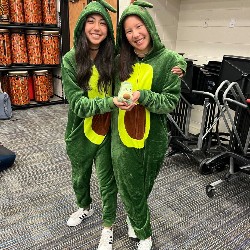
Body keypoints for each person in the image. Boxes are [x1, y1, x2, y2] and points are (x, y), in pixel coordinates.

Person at [111, 1, 187, 249]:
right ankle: (145, 232)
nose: (135, 35)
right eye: (128, 31)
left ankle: (135, 217)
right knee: (127, 181)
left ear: (150, 26)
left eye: (139, 26)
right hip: (122, 134)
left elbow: (170, 102)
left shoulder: (170, 61)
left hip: (153, 136)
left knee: (143, 184)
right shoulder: (121, 59)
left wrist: (143, 96)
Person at [61, 1, 118, 249]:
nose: (97, 27)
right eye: (92, 21)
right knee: (80, 177)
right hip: (80, 131)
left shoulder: (114, 58)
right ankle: (84, 206)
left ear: (109, 30)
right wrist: (111, 102)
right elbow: (78, 105)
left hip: (107, 130)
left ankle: (108, 226)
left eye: (103, 22)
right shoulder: (71, 59)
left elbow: (147, 60)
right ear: (83, 25)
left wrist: (176, 67)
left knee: (107, 180)